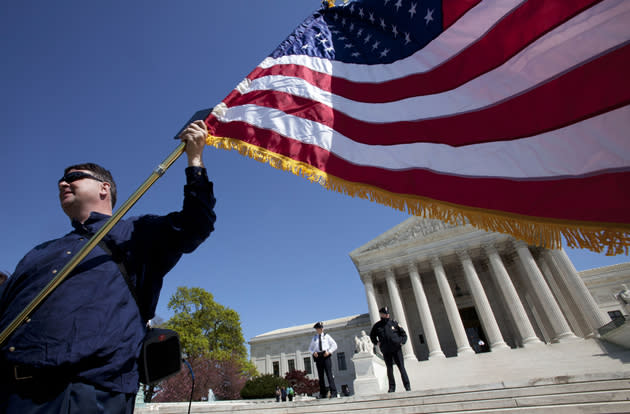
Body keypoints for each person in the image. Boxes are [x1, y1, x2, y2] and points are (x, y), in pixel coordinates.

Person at [0, 120, 216, 414]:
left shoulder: (136, 234)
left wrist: (195, 159)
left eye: (74, 176)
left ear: (104, 188)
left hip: (88, 394)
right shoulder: (37, 253)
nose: (63, 183)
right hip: (13, 396)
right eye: (61, 180)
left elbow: (195, 224)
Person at [370, 306, 411, 393]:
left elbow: (404, 335)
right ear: (381, 314)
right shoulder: (377, 326)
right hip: (386, 349)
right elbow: (372, 336)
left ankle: (407, 386)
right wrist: (377, 342)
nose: (387, 315)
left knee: (401, 368)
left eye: (387, 313)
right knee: (389, 369)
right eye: (385, 314)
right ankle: (392, 387)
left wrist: (401, 342)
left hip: (396, 348)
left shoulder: (394, 323)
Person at [308, 321, 338, 398]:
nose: (319, 330)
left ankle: (333, 392)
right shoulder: (314, 338)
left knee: (329, 374)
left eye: (320, 328)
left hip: (326, 355)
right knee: (320, 376)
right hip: (318, 356)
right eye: (318, 328)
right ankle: (322, 393)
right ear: (316, 329)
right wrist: (313, 352)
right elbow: (310, 348)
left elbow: (334, 345)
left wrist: (329, 352)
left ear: (322, 329)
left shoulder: (327, 336)